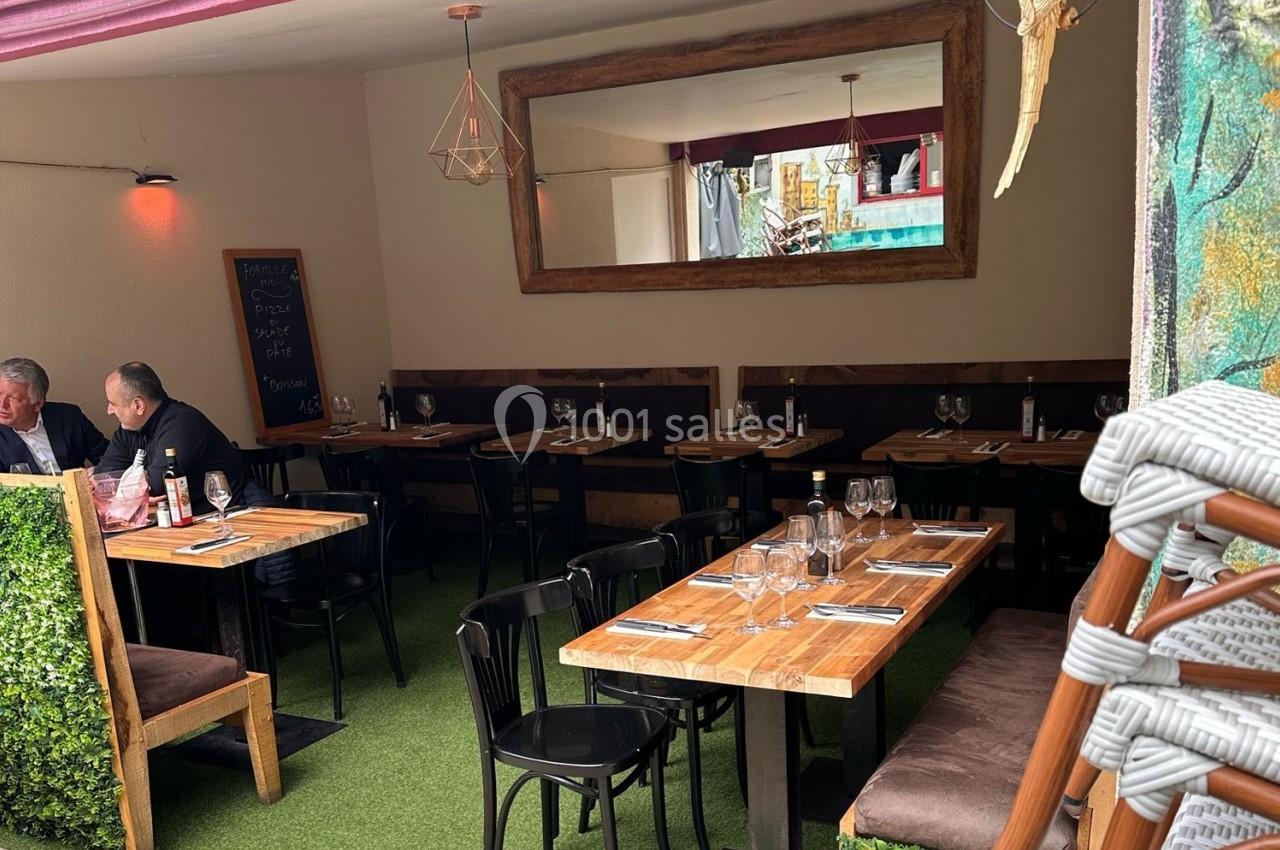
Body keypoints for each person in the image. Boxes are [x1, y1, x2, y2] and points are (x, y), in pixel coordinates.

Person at [97, 362, 246, 513]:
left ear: (138, 405)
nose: (109, 410)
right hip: (179, 522)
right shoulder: (128, 430)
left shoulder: (183, 423)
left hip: (226, 515)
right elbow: (102, 479)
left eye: (113, 403)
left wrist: (127, 494)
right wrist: (135, 495)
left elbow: (158, 485)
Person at [0, 357, 109, 474]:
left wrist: (95, 473)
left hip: (73, 488)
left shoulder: (69, 417)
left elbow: (109, 458)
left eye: (14, 398)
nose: (2, 404)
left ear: (37, 404)